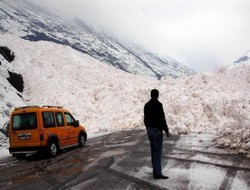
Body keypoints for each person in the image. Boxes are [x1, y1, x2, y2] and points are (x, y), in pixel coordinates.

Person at [144, 89, 170, 180]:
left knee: (153, 152)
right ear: (157, 95)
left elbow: (145, 119)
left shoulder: (146, 105)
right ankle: (157, 173)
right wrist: (166, 131)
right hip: (157, 131)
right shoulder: (159, 105)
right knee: (157, 152)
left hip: (150, 130)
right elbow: (162, 119)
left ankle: (155, 172)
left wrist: (147, 128)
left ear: (151, 95)